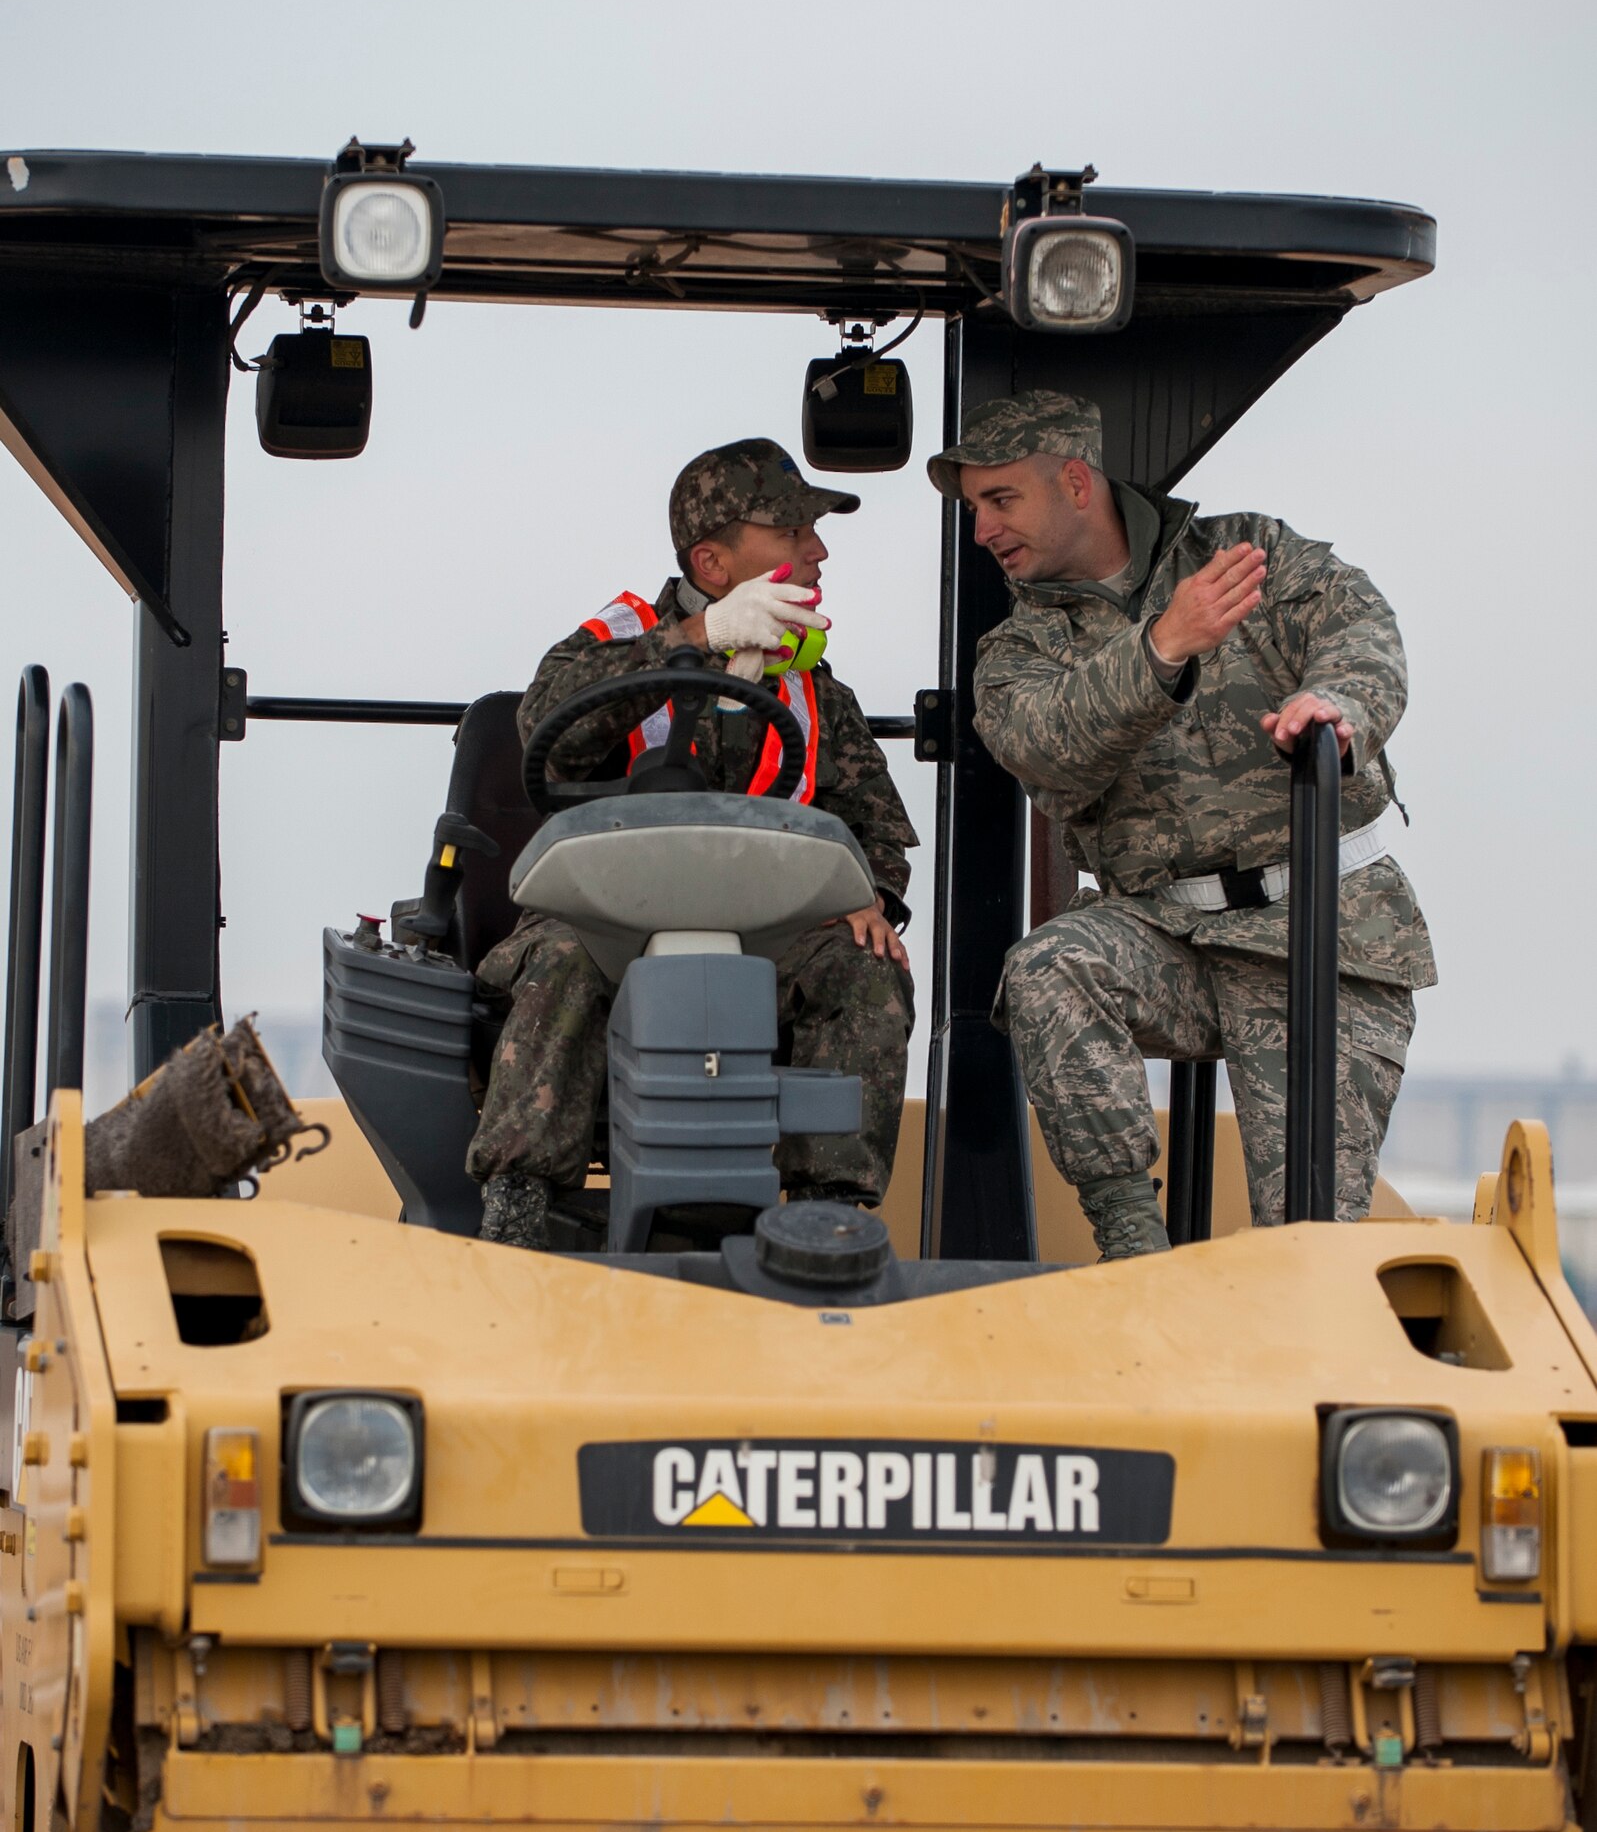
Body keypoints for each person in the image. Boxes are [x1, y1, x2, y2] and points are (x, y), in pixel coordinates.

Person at [926, 391, 1435, 1260]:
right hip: (1166, 937)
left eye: (999, 500)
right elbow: (1047, 751)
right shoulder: (1017, 650)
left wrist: (1337, 705)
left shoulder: (1245, 554)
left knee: (1304, 1247)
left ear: (1076, 483)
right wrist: (1162, 644)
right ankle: (1133, 1249)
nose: (981, 532)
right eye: (973, 507)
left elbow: (1358, 625)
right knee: (1048, 967)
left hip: (1323, 938)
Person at [470, 437, 917, 1248]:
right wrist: (695, 639)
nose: (817, 552)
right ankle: (517, 1208)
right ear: (713, 563)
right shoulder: (613, 640)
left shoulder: (815, 686)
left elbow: (875, 822)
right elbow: (546, 726)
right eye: (790, 535)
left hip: (767, 940)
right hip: (607, 929)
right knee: (559, 962)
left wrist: (873, 900)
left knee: (865, 970)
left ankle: (827, 1218)